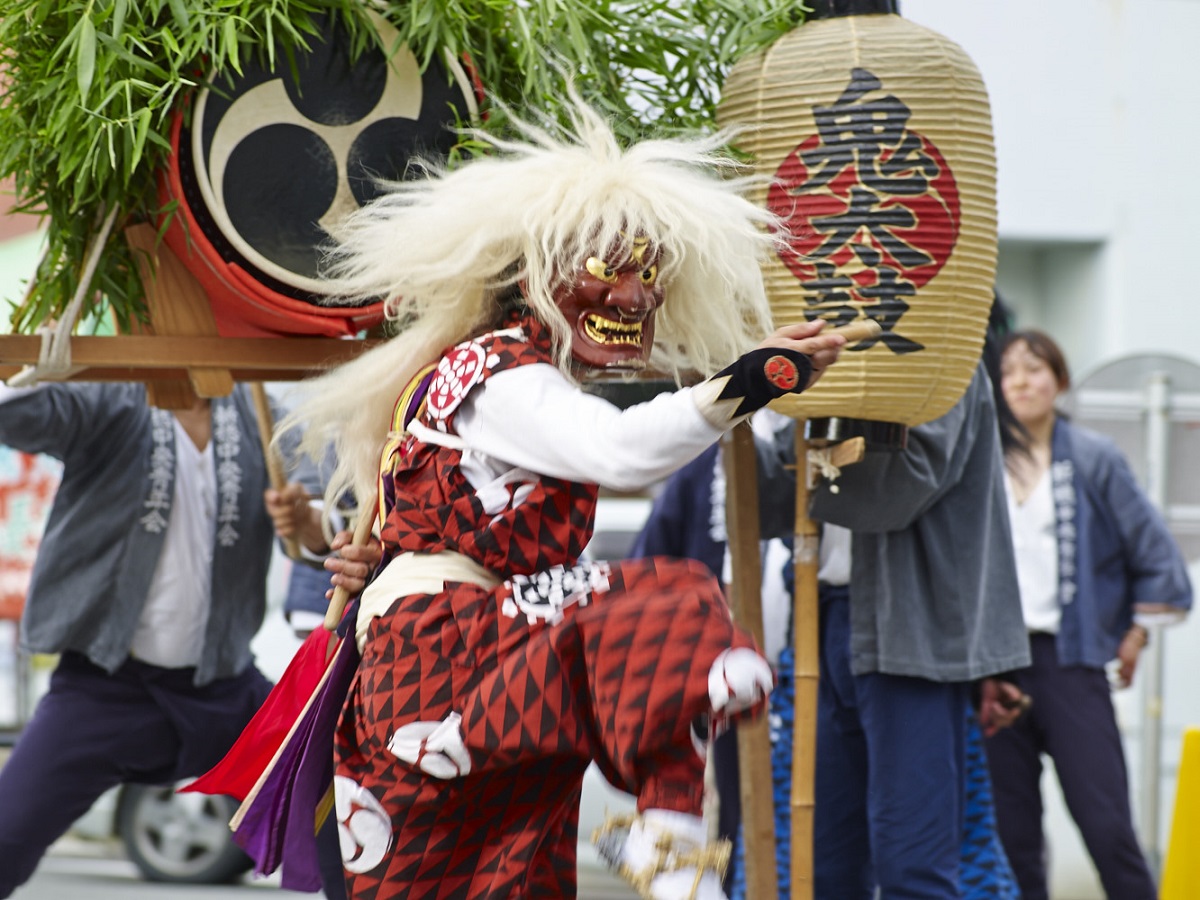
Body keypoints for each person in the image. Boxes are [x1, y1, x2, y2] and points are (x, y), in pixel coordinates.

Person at [278, 97, 848, 900]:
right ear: (535, 273)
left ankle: (663, 839)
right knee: (670, 605)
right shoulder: (501, 375)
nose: (635, 296)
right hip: (445, 661)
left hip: (472, 661)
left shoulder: (470, 375)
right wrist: (754, 378)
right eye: (609, 268)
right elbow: (620, 451)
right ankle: (666, 844)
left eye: (648, 273)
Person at [754, 296, 1032, 898]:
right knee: (822, 858)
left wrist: (811, 464)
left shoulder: (945, 367)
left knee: (914, 863)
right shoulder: (828, 374)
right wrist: (724, 396)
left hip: (914, 632)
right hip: (822, 623)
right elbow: (767, 500)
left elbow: (899, 490)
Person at [0, 383, 278, 898]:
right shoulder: (112, 397)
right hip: (105, 689)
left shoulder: (258, 408)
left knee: (339, 803)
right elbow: (22, 416)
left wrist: (309, 522)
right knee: (7, 833)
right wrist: (37, 369)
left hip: (224, 689)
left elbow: (323, 495)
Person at [987, 329, 1193, 900]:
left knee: (1106, 827)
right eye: (1008, 372)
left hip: (1070, 662)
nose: (1022, 382)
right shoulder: (982, 462)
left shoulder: (1093, 457)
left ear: (1060, 380)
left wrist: (1133, 636)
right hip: (993, 666)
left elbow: (1157, 559)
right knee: (1013, 836)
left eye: (1034, 369)